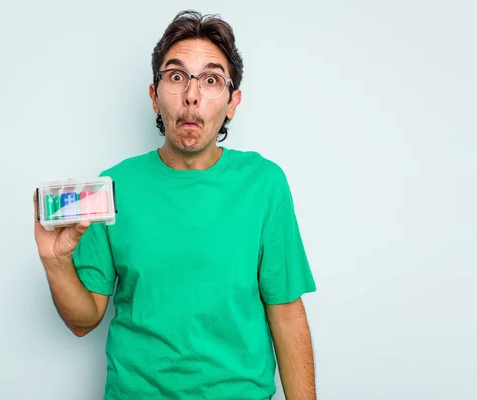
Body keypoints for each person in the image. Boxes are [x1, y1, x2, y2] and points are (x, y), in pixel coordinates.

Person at [33, 10, 317, 400]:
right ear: (154, 96)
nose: (192, 95)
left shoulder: (264, 183)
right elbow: (84, 320)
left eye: (211, 79)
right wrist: (55, 260)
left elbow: (286, 313)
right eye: (177, 76)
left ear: (232, 103)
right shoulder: (113, 187)